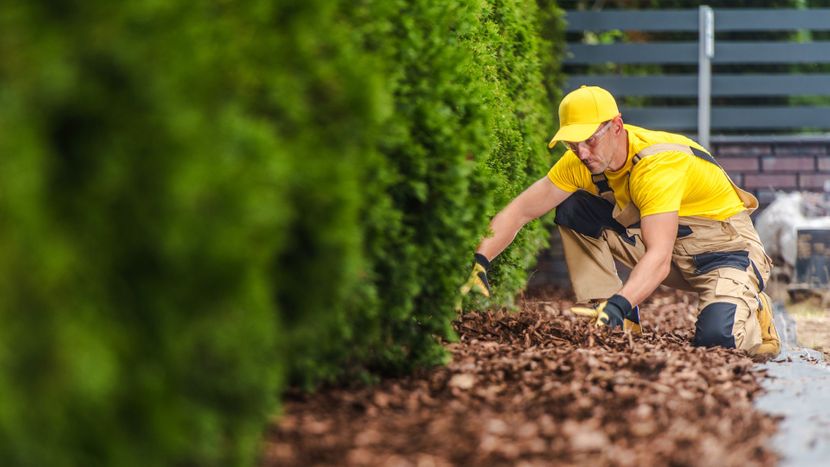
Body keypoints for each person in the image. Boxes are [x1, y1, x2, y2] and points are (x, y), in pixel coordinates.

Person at [461, 85, 780, 356]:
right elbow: (520, 211)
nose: (582, 152)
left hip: (726, 255)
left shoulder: (657, 165)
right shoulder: (580, 163)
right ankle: (611, 316)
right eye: (573, 143)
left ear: (616, 126)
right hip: (669, 251)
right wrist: (480, 261)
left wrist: (621, 302)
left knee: (716, 341)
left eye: (589, 140)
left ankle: (754, 310)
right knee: (574, 208)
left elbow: (659, 259)